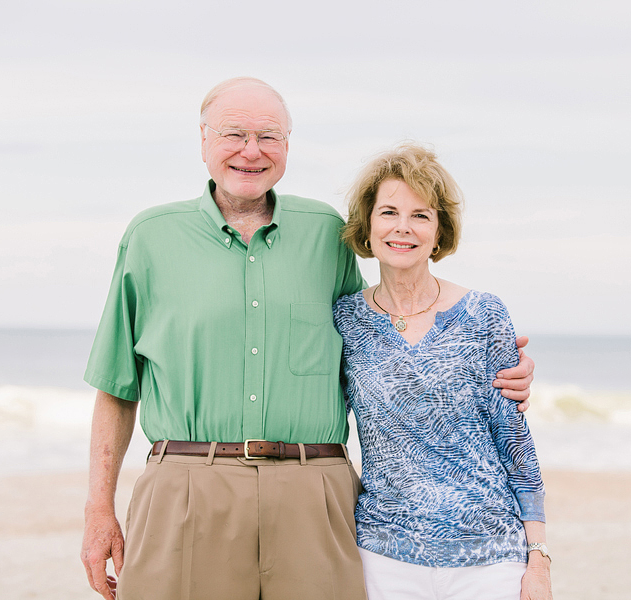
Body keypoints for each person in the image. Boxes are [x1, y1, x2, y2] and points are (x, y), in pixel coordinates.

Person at [80, 78, 537, 600]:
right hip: (185, 486)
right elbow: (117, 386)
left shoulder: (327, 233)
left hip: (313, 490)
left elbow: (380, 344)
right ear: (203, 140)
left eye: (269, 137)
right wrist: (98, 509)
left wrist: (493, 373)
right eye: (234, 134)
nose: (252, 151)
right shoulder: (150, 238)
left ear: (288, 146)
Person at [333, 143, 552, 600]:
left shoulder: (484, 314)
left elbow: (514, 441)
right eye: (389, 212)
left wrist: (539, 557)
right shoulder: (346, 321)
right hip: (383, 556)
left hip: (490, 557)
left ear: (438, 232)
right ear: (367, 227)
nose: (402, 228)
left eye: (421, 215)